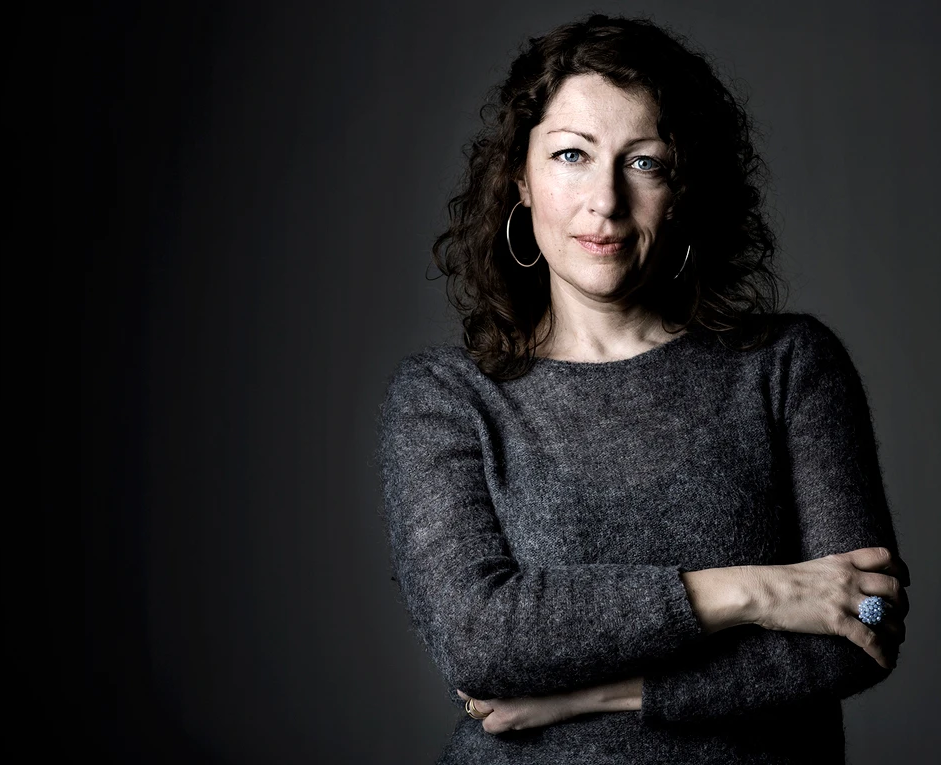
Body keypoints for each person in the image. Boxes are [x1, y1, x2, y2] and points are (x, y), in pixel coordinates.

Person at [378, 14, 910, 764]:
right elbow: (480, 639)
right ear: (520, 178)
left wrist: (594, 694)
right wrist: (757, 592)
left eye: (644, 162)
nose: (605, 199)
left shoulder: (789, 365)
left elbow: (864, 626)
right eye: (571, 154)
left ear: (684, 188)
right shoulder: (447, 399)